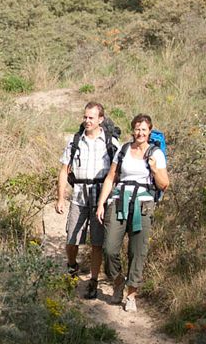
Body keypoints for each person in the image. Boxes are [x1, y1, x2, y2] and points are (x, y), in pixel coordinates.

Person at [96, 114, 170, 312]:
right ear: (132, 130)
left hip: (143, 205)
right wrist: (101, 203)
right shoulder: (124, 149)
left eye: (144, 130)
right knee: (109, 248)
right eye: (137, 129)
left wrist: (154, 169)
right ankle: (118, 280)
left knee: (137, 252)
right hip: (119, 201)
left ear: (150, 131)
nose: (140, 133)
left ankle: (131, 295)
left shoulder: (156, 154)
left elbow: (164, 185)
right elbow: (111, 177)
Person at [56, 102, 119, 299]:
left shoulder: (111, 143)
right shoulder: (75, 141)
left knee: (97, 243)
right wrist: (60, 197)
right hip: (79, 196)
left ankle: (93, 280)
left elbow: (118, 172)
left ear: (101, 119)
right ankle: (72, 265)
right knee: (71, 239)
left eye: (91, 117)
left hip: (102, 198)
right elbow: (64, 171)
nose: (87, 121)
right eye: (85, 117)